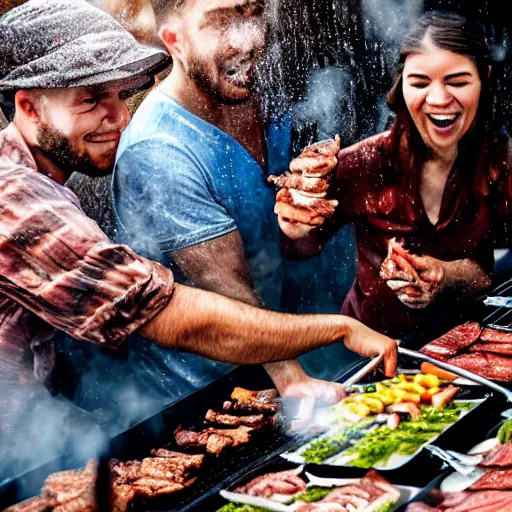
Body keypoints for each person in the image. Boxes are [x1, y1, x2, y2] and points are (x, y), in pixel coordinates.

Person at [0, 0, 397, 473]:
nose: (120, 117)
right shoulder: (15, 199)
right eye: (90, 100)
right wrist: (336, 328)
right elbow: (167, 313)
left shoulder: (40, 183)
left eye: (118, 95)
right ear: (27, 106)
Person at [112, 0, 359, 407]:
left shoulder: (262, 92)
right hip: (207, 394)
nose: (251, 39)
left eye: (252, 12)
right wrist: (293, 378)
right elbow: (229, 293)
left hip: (299, 349)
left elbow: (297, 246)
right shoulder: (159, 150)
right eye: (222, 22)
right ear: (174, 40)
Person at [273, 11, 512, 339]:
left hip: (463, 341)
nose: (439, 100)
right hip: (371, 349)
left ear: (484, 77)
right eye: (420, 82)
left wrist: (443, 273)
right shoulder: (366, 162)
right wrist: (294, 226)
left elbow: (485, 275)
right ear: (402, 85)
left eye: (457, 82)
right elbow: (300, 249)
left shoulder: (499, 160)